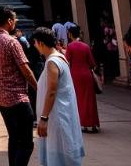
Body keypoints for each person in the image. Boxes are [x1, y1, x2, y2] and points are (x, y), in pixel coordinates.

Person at [0, 6, 38, 166]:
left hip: (1, 97)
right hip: (18, 98)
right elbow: (26, 71)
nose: (15, 23)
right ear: (9, 21)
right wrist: (38, 88)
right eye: (14, 20)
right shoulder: (12, 42)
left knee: (14, 138)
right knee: (27, 143)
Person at [32, 27, 85, 166]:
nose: (35, 46)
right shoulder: (59, 58)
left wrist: (43, 118)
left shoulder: (52, 62)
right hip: (60, 114)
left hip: (57, 116)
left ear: (41, 43)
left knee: (60, 156)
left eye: (35, 43)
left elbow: (51, 91)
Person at [65, 26, 99, 133]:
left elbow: (66, 61)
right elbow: (92, 63)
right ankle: (93, 124)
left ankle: (83, 124)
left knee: (79, 100)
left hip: (75, 75)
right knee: (90, 99)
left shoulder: (70, 46)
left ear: (70, 34)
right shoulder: (86, 46)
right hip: (87, 75)